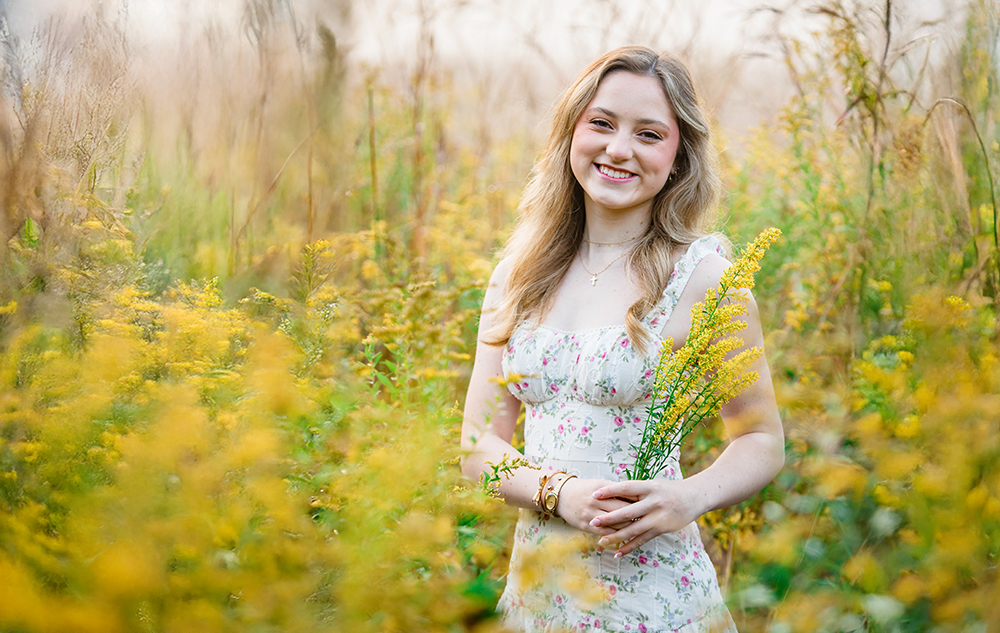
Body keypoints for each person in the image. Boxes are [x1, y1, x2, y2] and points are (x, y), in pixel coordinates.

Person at [460, 46, 784, 633]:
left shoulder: (705, 277)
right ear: (571, 131)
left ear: (678, 153)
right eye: (602, 123)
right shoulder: (517, 275)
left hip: (655, 599)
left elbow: (761, 438)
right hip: (539, 592)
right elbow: (478, 445)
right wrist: (559, 494)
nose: (618, 149)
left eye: (649, 133)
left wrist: (687, 499)